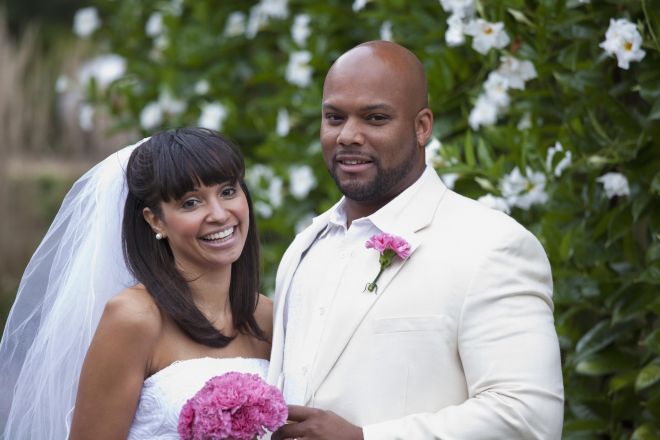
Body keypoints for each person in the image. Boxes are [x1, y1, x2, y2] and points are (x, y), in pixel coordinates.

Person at [269, 41, 564, 439]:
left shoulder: (492, 245)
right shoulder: (306, 246)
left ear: (422, 126)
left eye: (375, 118)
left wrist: (364, 438)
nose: (348, 136)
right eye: (334, 117)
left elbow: (528, 418)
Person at [0, 128, 273, 439]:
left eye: (227, 192)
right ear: (155, 220)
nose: (219, 214)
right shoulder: (134, 317)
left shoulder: (267, 316)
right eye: (191, 203)